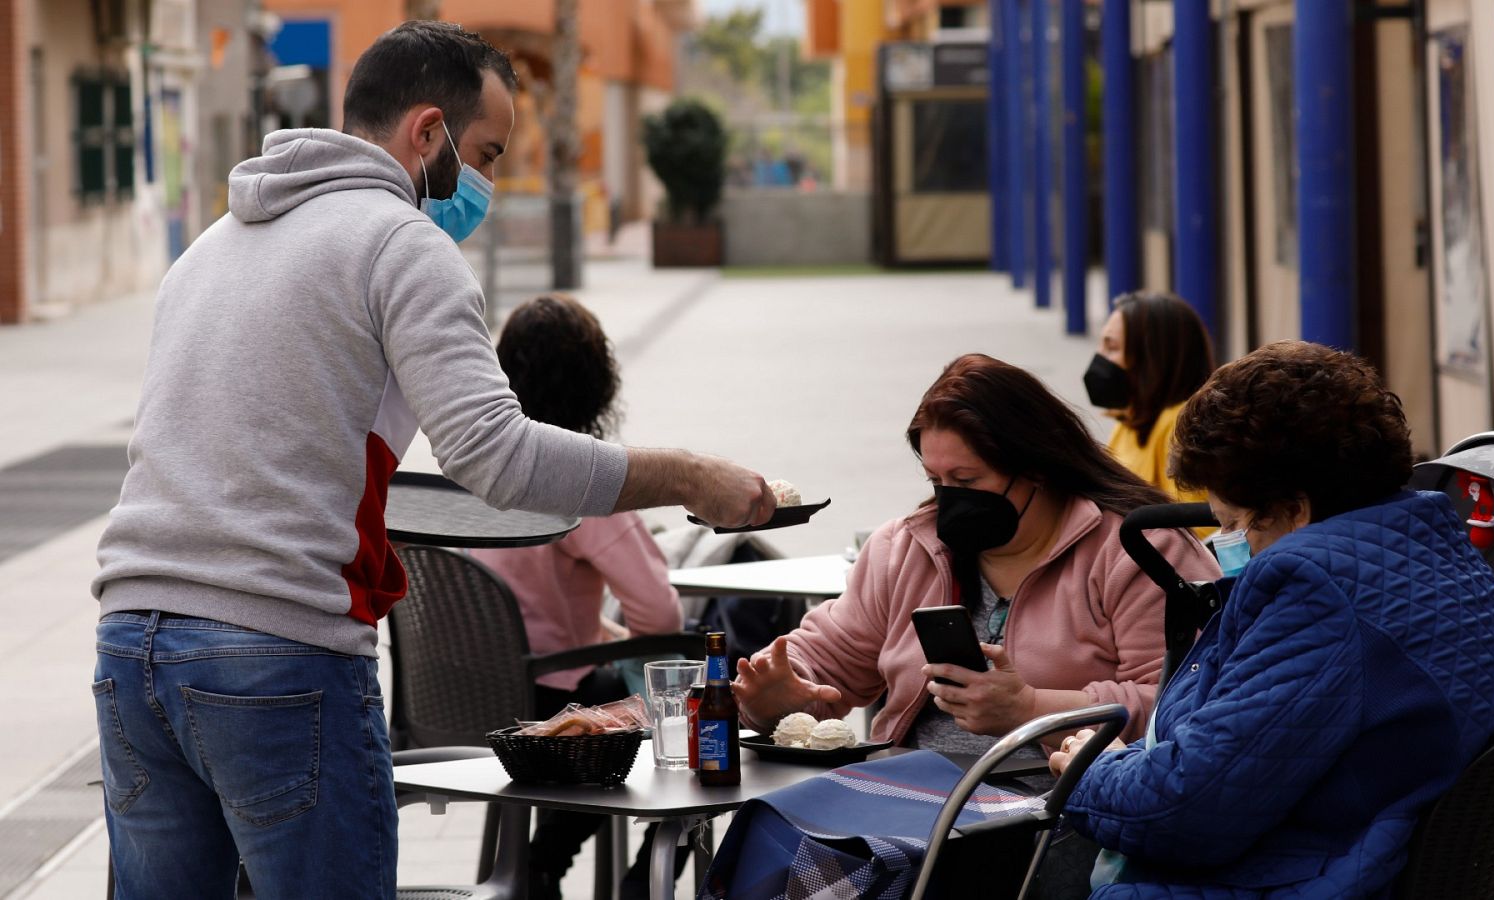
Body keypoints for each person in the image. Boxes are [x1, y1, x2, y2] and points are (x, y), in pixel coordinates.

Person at [90, 21, 774, 900]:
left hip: (131, 644)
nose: (486, 181)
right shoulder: (402, 243)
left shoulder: (207, 251)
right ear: (427, 132)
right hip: (278, 651)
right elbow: (497, 457)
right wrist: (687, 474)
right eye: (485, 153)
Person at [1051, 341, 1494, 898]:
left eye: (1234, 524)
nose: (1230, 544)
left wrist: (1089, 770)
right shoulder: (1430, 548)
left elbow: (1184, 810)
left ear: (1293, 509)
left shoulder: (1317, 589)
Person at [732, 353, 1219, 760]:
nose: (948, 499)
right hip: (912, 800)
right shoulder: (907, 549)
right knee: (771, 836)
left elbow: (1188, 704)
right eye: (936, 481)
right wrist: (780, 695)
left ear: (1037, 467)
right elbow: (828, 658)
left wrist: (1030, 709)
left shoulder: (1141, 551)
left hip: (1061, 811)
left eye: (966, 481)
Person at [470, 295, 686, 898]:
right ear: (598, 383)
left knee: (616, 681)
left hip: (464, 697)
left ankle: (536, 865)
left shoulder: (470, 469)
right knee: (696, 704)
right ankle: (627, 876)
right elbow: (660, 616)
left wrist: (598, 632)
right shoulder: (586, 482)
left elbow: (510, 605)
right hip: (553, 711)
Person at [1084, 291, 1215, 505]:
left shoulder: (1179, 427)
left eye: (1112, 347)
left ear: (1152, 357)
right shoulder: (1130, 418)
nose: (1100, 358)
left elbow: (1194, 519)